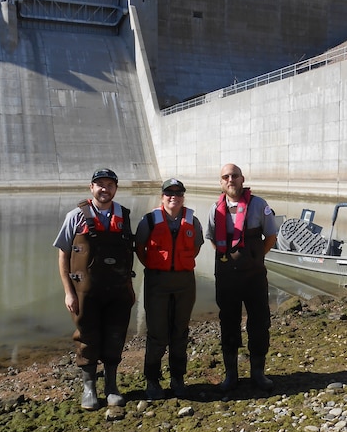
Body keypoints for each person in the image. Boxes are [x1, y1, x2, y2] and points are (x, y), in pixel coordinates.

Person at [53, 168, 135, 410]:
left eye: (110, 185)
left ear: (115, 189)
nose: (104, 189)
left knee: (115, 336)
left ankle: (111, 387)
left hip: (118, 292)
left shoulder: (125, 216)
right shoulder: (75, 216)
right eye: (100, 184)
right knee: (86, 337)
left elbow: (130, 255)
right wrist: (68, 292)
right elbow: (63, 254)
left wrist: (130, 288)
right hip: (84, 293)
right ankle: (89, 388)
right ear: (91, 188)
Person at [206, 163, 277, 393]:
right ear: (221, 182)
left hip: (254, 276)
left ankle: (258, 374)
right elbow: (212, 239)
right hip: (227, 277)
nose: (230, 180)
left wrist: (256, 257)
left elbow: (271, 236)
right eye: (226, 177)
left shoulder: (259, 205)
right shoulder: (214, 209)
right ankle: (231, 375)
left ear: (242, 178)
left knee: (259, 323)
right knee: (228, 323)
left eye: (234, 176)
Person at [135, 179, 204, 399]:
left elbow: (196, 247)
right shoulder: (148, 221)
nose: (173, 196)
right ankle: (152, 380)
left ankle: (177, 378)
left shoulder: (193, 221)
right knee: (156, 334)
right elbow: (139, 248)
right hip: (157, 282)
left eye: (178, 193)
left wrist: (178, 264)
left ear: (183, 197)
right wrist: (156, 266)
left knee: (180, 332)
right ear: (161, 196)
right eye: (168, 193)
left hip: (184, 282)